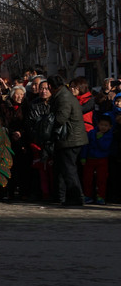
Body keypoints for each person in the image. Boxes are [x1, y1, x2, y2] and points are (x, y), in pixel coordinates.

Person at [50, 75, 88, 206]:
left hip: (70, 138)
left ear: (51, 86)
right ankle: (67, 196)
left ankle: (76, 198)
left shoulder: (64, 97)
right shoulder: (64, 95)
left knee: (69, 170)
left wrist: (48, 122)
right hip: (71, 138)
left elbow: (61, 118)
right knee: (67, 170)